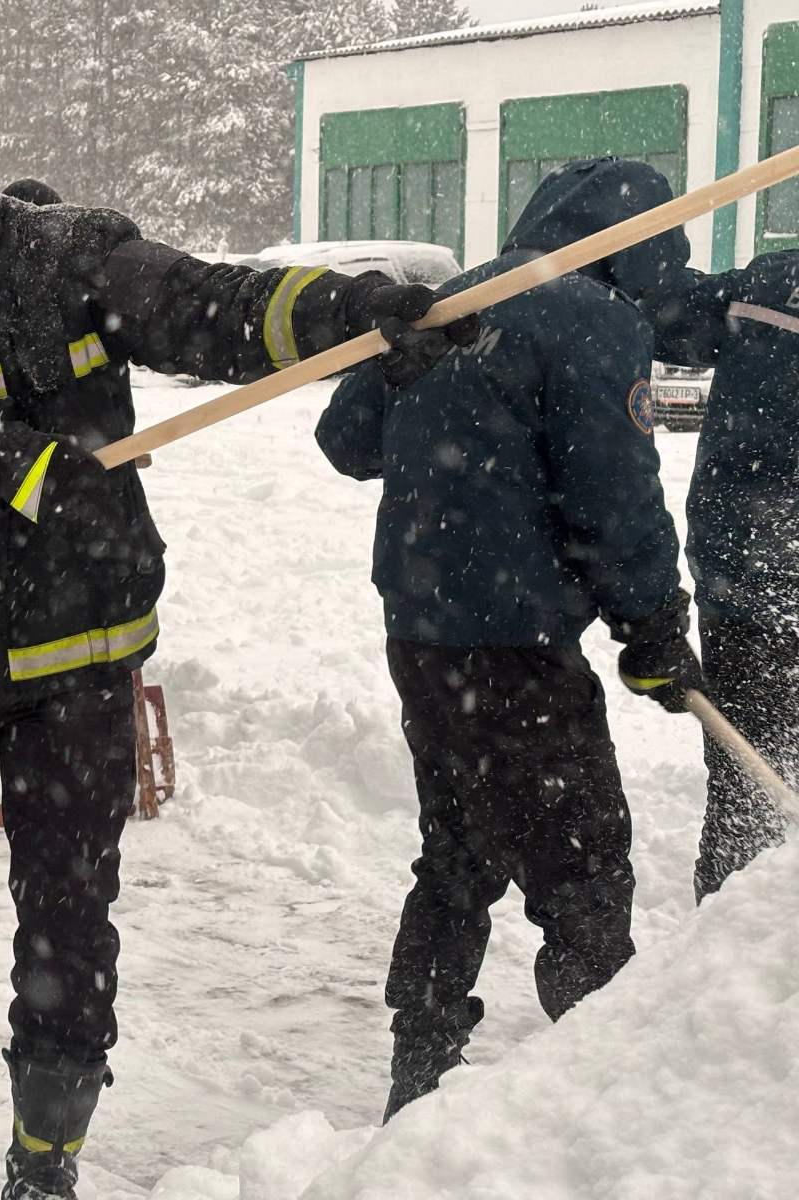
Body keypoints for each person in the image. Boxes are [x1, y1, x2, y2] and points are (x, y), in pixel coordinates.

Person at [0, 52, 476, 1200]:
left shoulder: (68, 255)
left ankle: (45, 1162)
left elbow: (216, 306)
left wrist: (359, 309)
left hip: (80, 657)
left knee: (67, 916)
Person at [315, 157, 706, 1124]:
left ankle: (421, 1071)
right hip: (516, 645)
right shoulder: (592, 317)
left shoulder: (460, 299)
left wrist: (391, 361)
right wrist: (652, 621)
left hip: (424, 635)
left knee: (457, 849)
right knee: (582, 867)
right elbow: (615, 497)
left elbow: (345, 441)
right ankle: (600, 1106)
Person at [645, 252, 799, 901]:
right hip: (756, 584)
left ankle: (733, 960)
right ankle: (734, 971)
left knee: (750, 790)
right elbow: (660, 315)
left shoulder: (773, 283)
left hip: (749, 578)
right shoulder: (771, 286)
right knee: (751, 794)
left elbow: (661, 312)